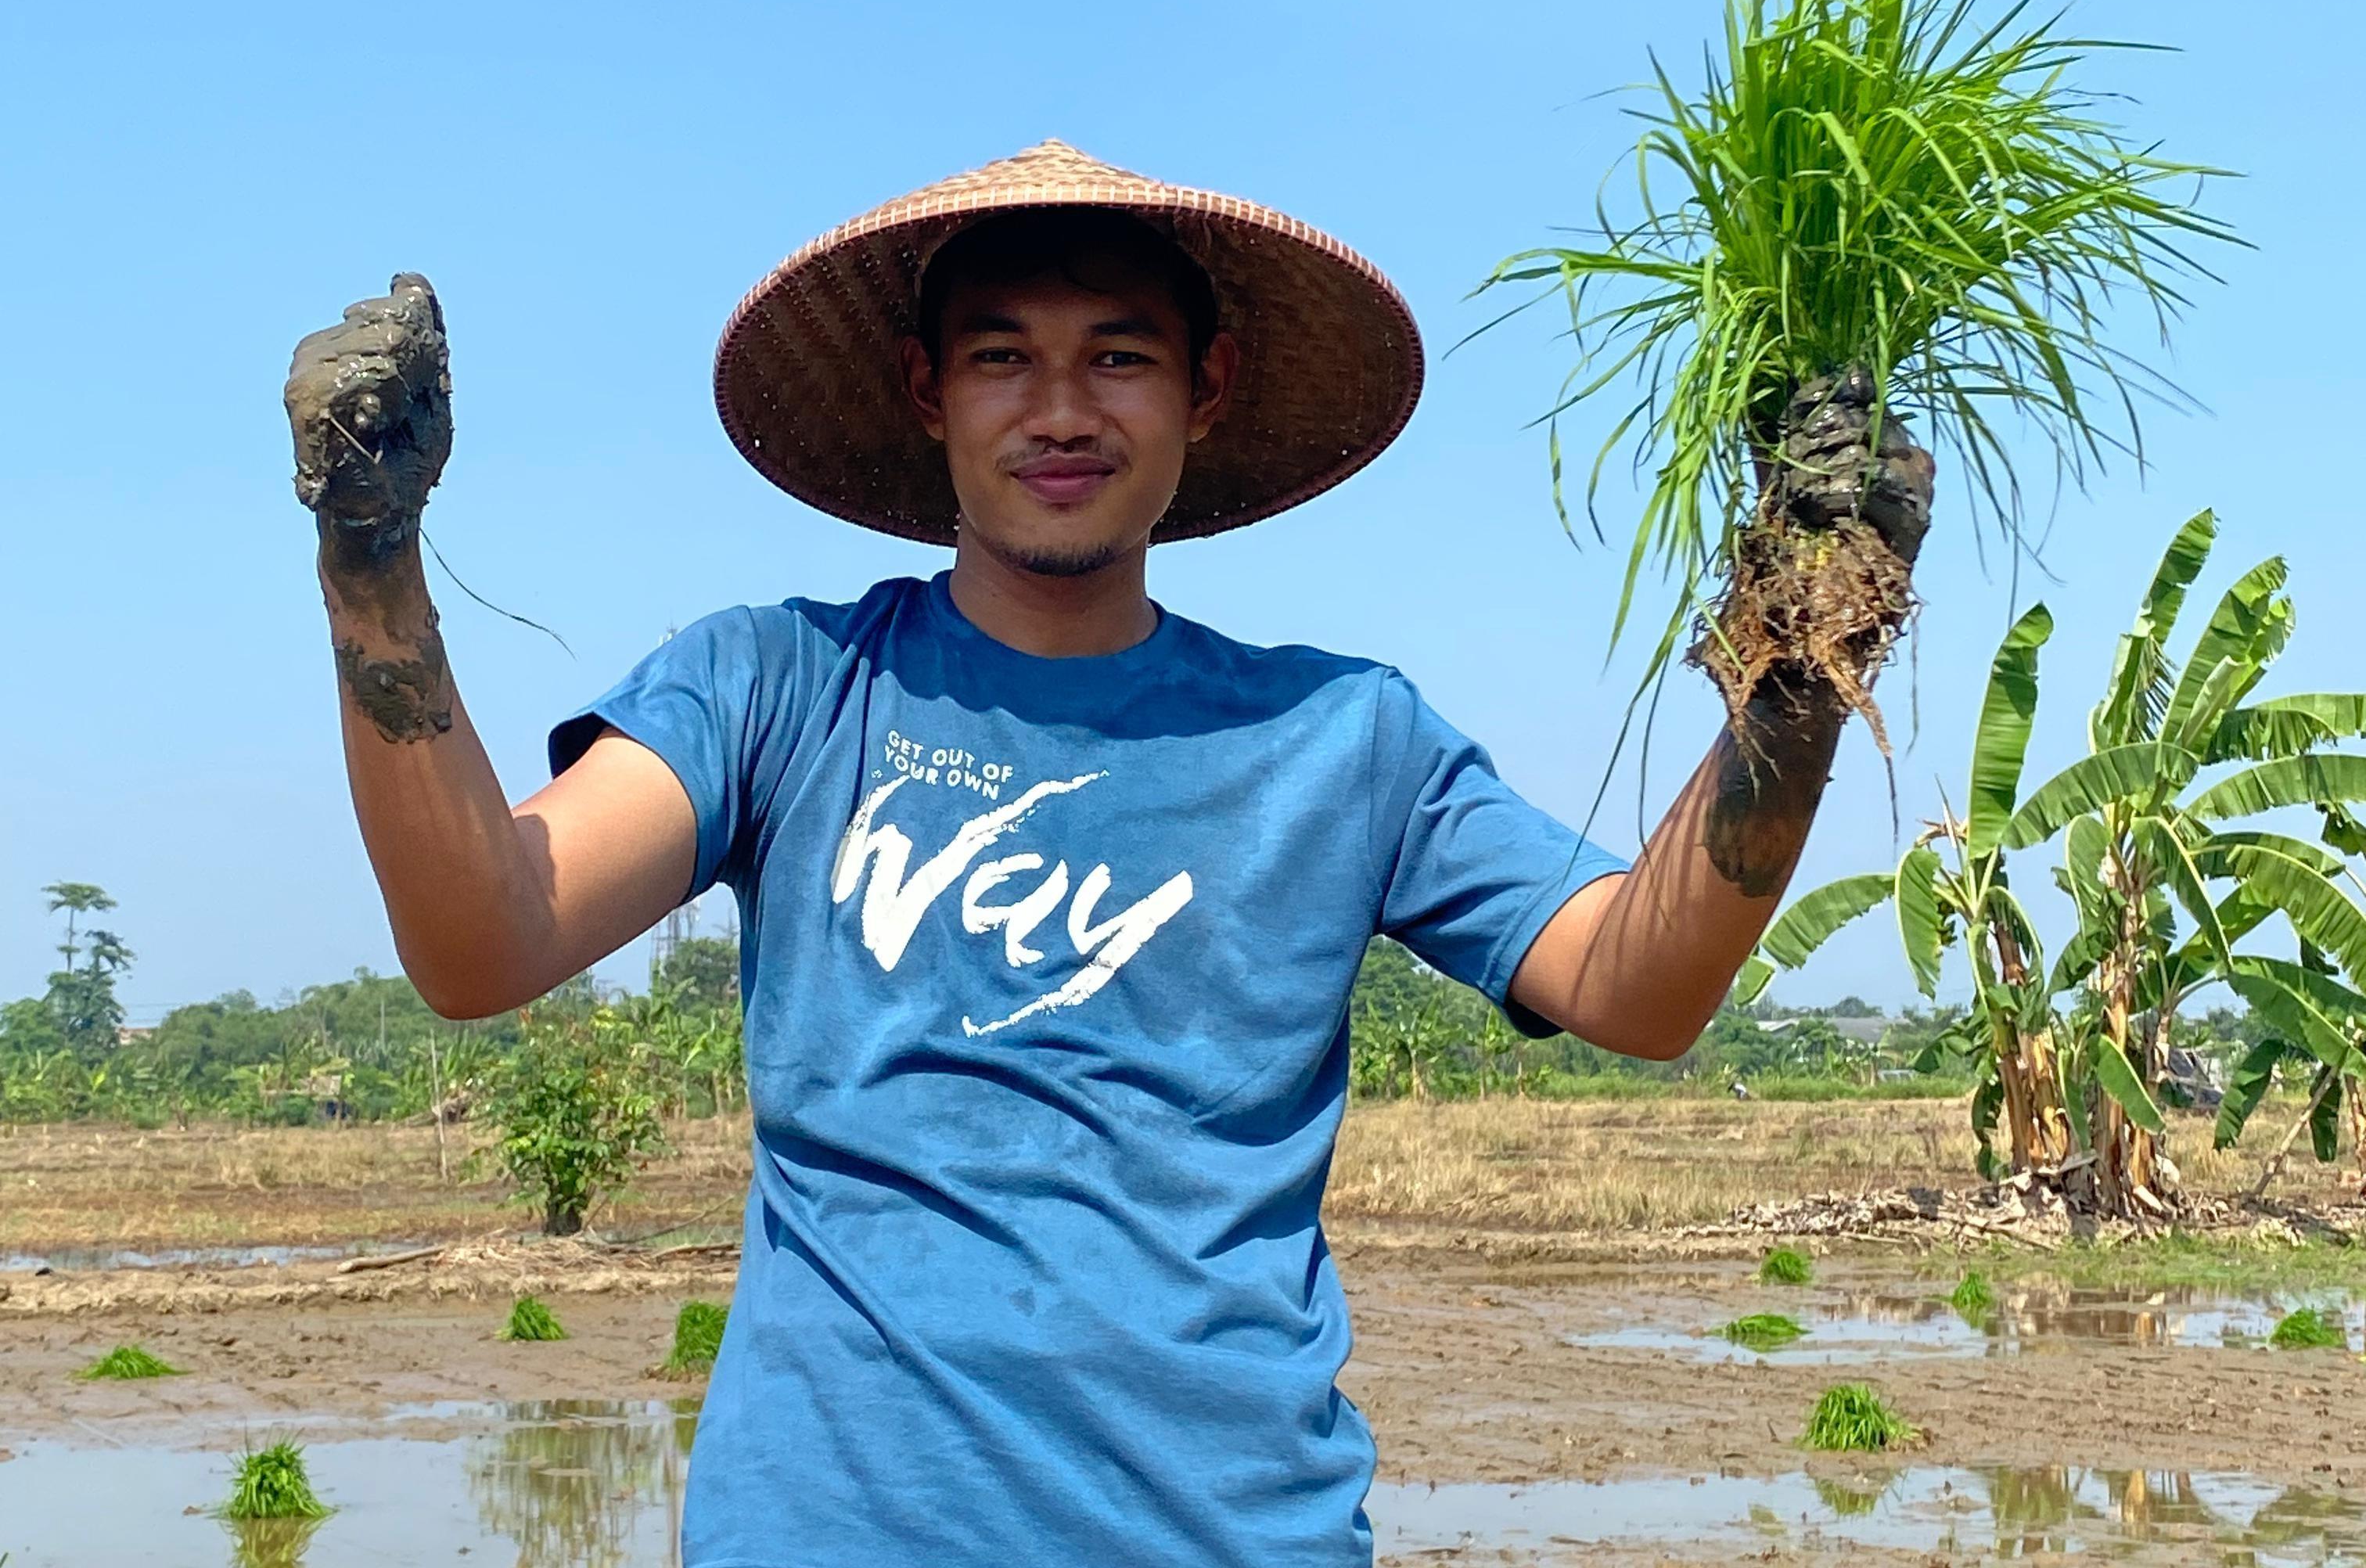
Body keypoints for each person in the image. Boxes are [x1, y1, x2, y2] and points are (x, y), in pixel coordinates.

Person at [282, 139, 1929, 1566]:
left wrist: (1799, 659)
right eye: (1002, 357)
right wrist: (373, 560)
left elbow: (1636, 983)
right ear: (930, 392)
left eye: (1120, 357)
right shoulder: (776, 688)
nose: (1059, 410)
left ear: (1203, 391)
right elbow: (484, 938)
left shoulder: (1344, 742)